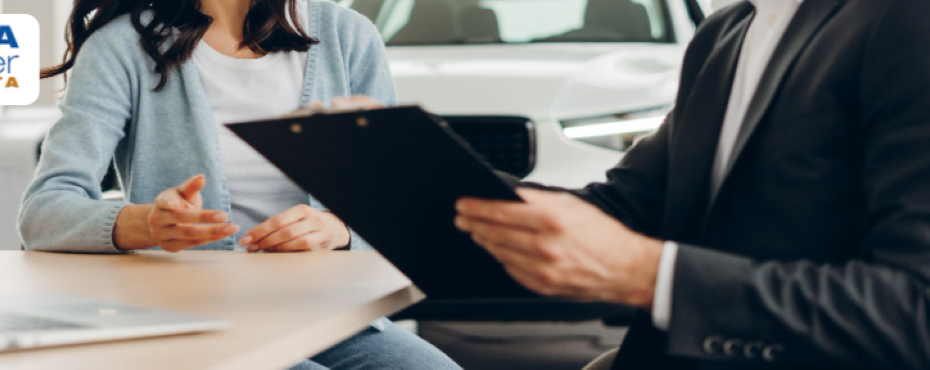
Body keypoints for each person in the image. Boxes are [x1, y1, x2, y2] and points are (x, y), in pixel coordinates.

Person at [350, 0, 930, 368]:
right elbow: (623, 208)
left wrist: (651, 275)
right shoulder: (727, 33)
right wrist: (417, 174)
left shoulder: (906, 21)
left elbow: (913, 314)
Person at [18, 0, 460, 368]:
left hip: (333, 315)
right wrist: (146, 224)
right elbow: (44, 212)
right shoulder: (122, 47)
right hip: (193, 322)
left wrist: (339, 229)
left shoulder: (348, 36)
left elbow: (397, 208)